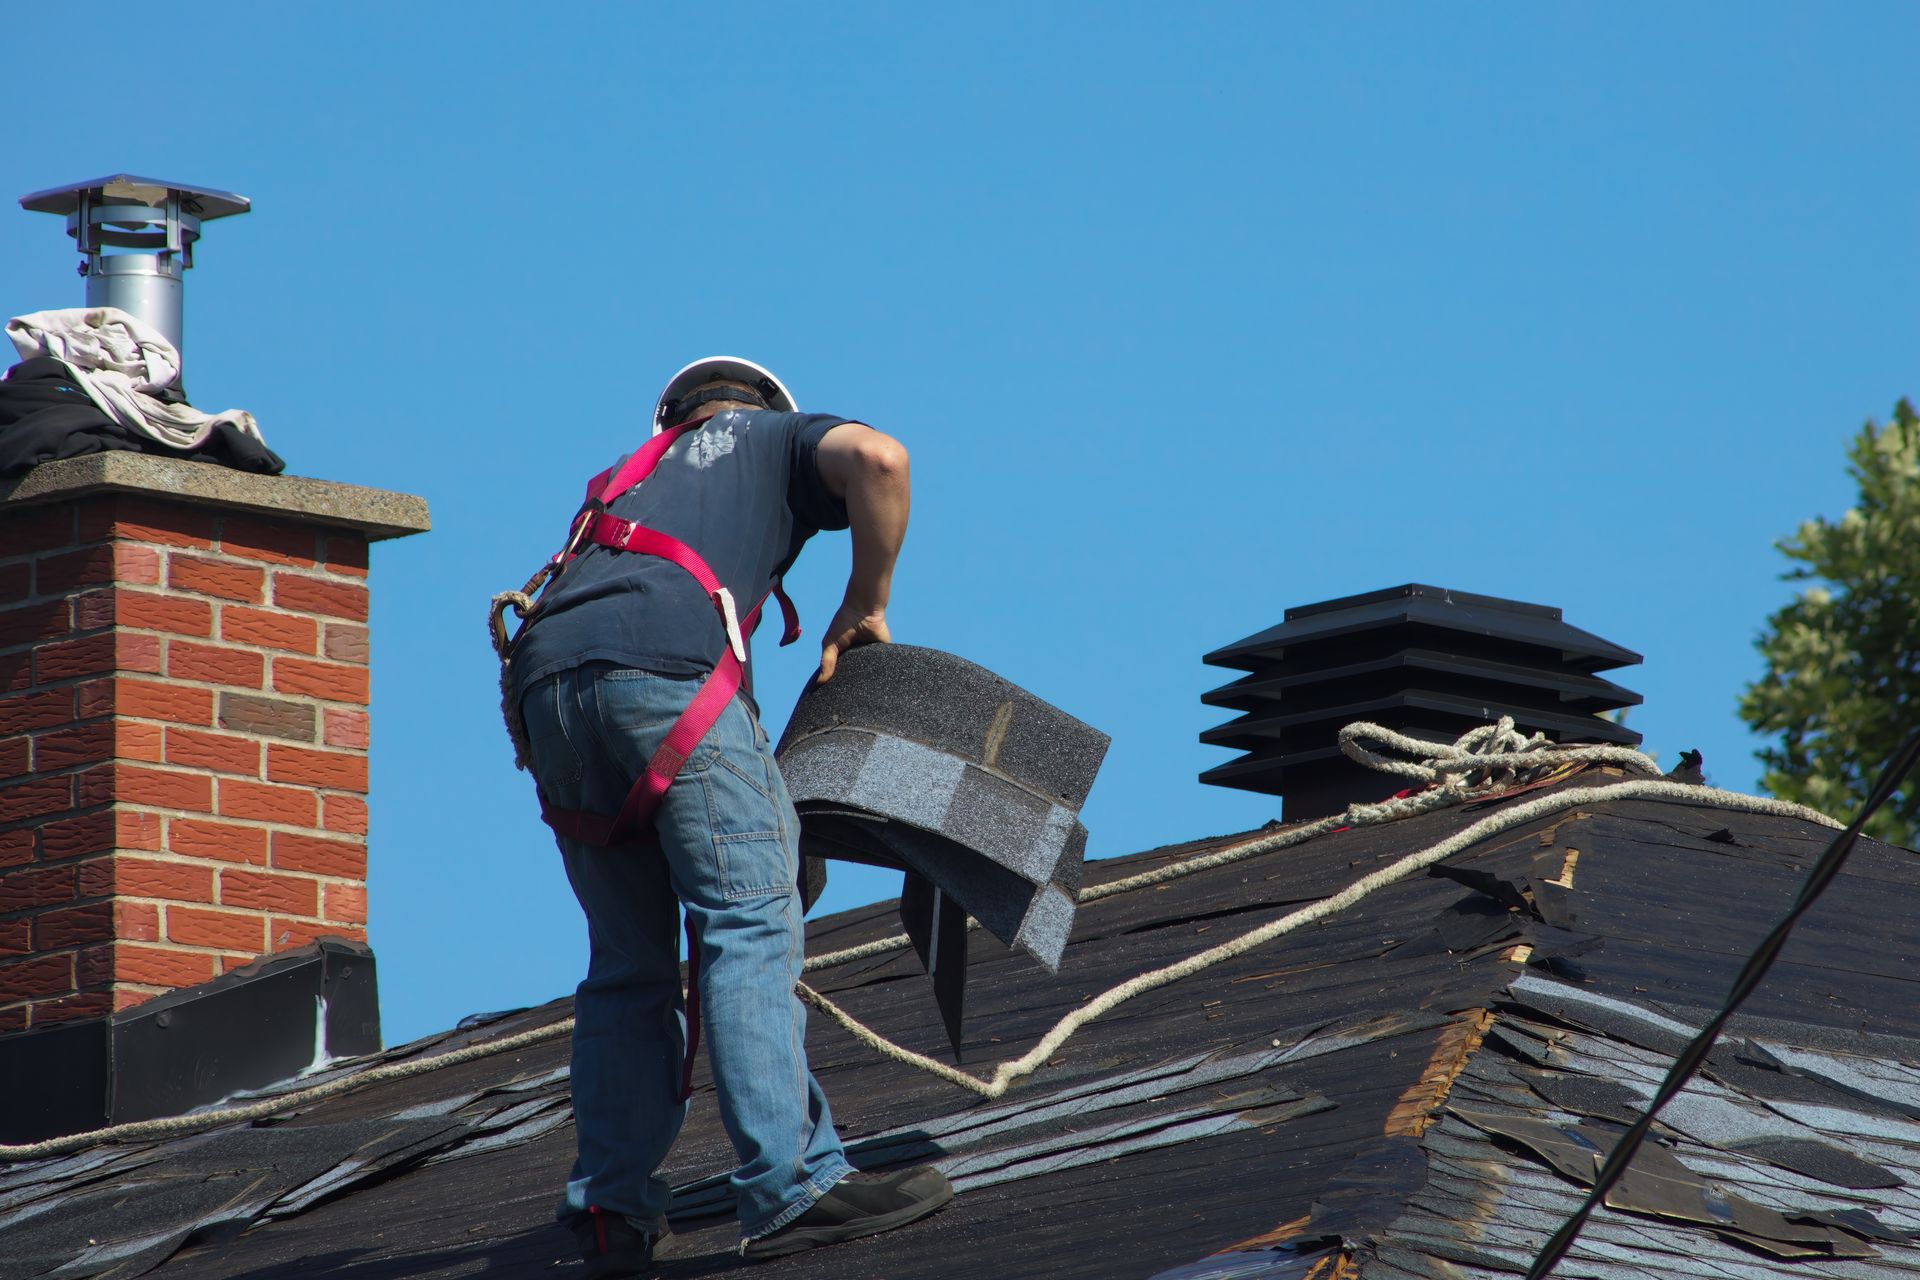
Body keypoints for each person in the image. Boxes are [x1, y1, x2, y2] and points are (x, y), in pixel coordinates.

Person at [507, 356, 951, 1275]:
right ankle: (793, 1184)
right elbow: (881, 460)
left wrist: (767, 830)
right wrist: (864, 603)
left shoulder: (623, 485)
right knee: (748, 923)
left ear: (670, 417)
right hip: (669, 678)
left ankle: (611, 1212)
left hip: (548, 687)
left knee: (627, 962)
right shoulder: (778, 439)